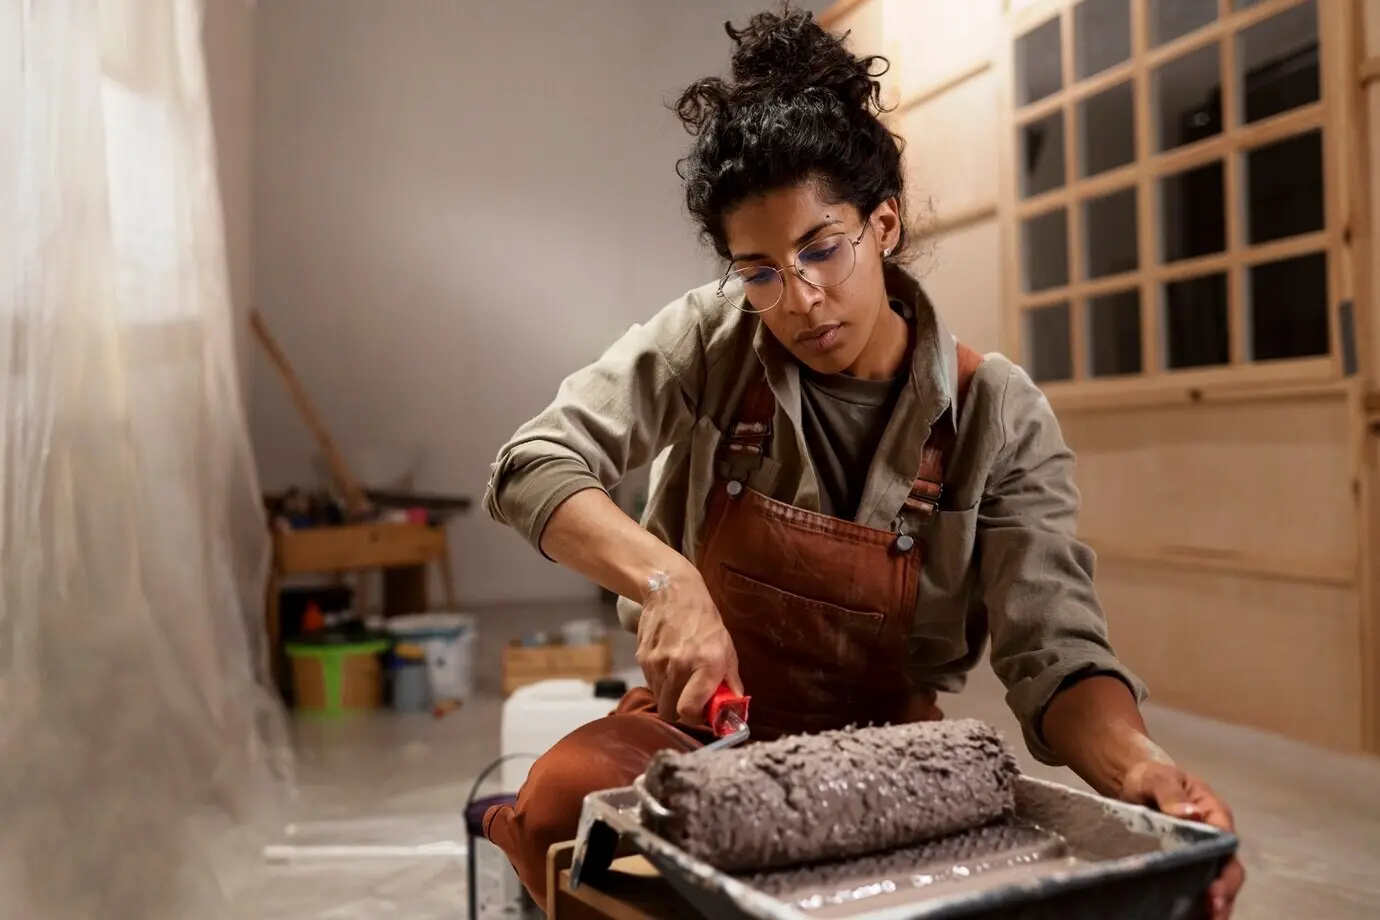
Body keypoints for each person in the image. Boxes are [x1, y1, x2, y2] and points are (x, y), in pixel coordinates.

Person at [481, 7, 1244, 917]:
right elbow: (531, 463)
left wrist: (1144, 769)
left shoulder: (996, 414)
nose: (799, 298)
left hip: (885, 761)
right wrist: (667, 581)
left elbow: (1059, 656)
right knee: (568, 809)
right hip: (701, 738)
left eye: (821, 249)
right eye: (759, 269)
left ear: (881, 224)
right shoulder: (712, 342)